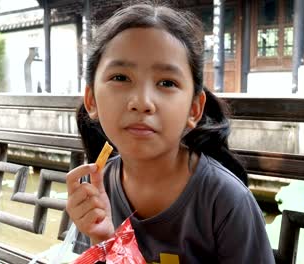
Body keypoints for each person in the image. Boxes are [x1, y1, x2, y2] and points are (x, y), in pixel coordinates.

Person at [66, 2, 275, 263]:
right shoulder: (99, 189)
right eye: (120, 77)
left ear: (194, 109)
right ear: (91, 100)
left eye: (167, 83)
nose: (142, 102)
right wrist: (103, 240)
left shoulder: (225, 201)